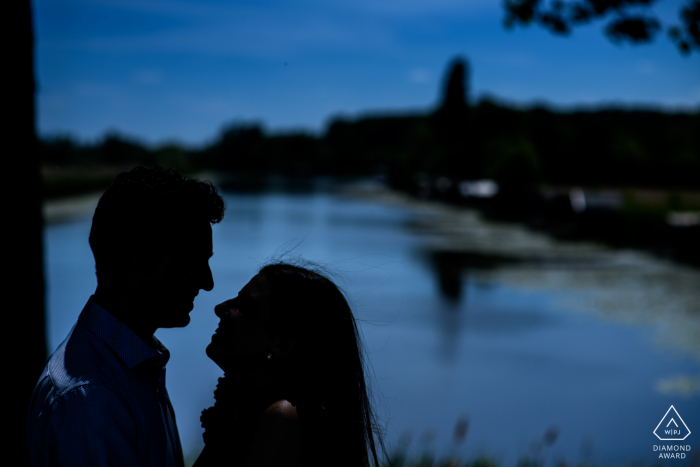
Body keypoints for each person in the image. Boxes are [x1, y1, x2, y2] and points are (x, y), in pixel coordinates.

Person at [27, 166, 226, 467]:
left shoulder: (134, 362)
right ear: (148, 257)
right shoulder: (91, 398)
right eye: (196, 261)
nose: (207, 281)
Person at [195, 262, 385, 467]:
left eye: (245, 306)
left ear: (283, 345)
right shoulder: (248, 412)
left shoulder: (280, 419)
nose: (221, 308)